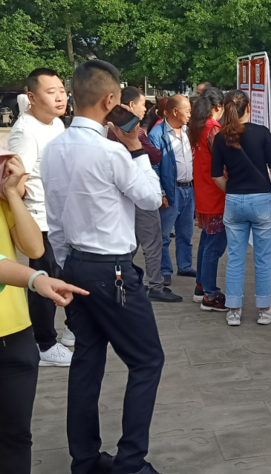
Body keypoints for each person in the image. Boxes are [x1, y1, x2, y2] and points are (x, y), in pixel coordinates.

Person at [41, 59, 165, 474]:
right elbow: (150, 198)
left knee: (87, 360)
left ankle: (85, 460)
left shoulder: (54, 149)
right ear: (111, 99)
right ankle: (131, 462)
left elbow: (56, 219)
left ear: (74, 96)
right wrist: (136, 149)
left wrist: (64, 267)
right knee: (147, 360)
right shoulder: (112, 152)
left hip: (74, 263)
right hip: (111, 269)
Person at [0, 151, 87, 474]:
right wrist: (35, 278)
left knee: (17, 437)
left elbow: (34, 248)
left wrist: (12, 193)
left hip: (16, 333)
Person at [8, 68, 75, 367]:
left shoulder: (57, 123)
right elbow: (16, 183)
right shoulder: (25, 132)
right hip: (40, 221)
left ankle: (72, 329)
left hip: (61, 217)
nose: (60, 97)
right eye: (51, 92)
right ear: (32, 97)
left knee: (66, 275)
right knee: (43, 280)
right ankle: (44, 344)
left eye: (61, 90)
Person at [211, 90, 271, 326]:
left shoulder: (220, 137)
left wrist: (233, 190)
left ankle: (234, 311)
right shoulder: (262, 133)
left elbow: (216, 176)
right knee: (263, 258)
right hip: (262, 201)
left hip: (234, 201)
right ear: (249, 108)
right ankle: (265, 310)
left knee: (235, 258)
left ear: (225, 109)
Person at [107, 87, 181, 303]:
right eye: (142, 104)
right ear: (131, 105)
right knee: (152, 242)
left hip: (121, 194)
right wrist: (140, 141)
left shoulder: (110, 131)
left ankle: (118, 280)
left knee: (131, 243)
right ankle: (156, 285)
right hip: (140, 190)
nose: (145, 109)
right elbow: (156, 155)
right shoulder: (133, 132)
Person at [148, 94, 196, 287]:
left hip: (188, 189)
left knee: (186, 233)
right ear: (175, 111)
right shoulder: (157, 134)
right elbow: (153, 166)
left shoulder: (187, 131)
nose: (190, 114)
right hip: (171, 190)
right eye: (188, 111)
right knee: (164, 235)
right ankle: (165, 270)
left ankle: (185, 266)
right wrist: (161, 192)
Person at [189, 88, 227, 310]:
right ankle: (210, 295)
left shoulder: (197, 128)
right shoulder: (214, 130)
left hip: (204, 194)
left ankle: (201, 286)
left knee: (206, 243)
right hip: (216, 196)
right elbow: (224, 164)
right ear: (218, 107)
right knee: (214, 246)